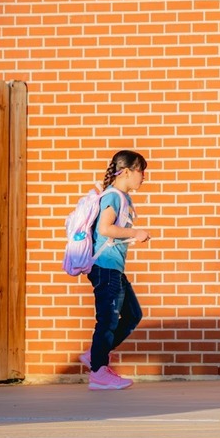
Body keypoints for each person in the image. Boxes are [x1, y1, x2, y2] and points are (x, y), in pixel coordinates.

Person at [79, 150, 152, 391]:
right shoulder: (113, 197)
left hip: (114, 269)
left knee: (132, 314)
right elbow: (106, 228)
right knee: (107, 320)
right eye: (141, 171)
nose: (144, 177)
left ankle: (94, 355)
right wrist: (135, 233)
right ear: (128, 172)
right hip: (105, 268)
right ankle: (98, 372)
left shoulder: (121, 197)